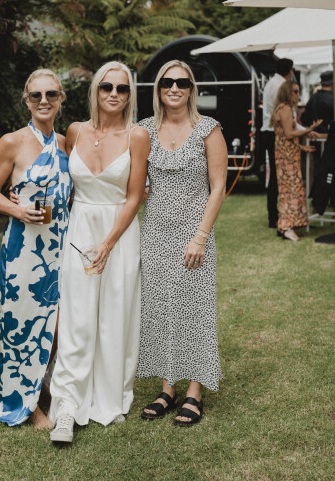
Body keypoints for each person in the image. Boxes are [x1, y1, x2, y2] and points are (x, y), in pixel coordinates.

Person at [49, 61, 150, 443]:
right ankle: (68, 405)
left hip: (118, 233)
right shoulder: (75, 131)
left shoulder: (137, 136)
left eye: (122, 89)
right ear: (95, 90)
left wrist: (107, 244)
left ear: (129, 95)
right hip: (80, 229)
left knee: (114, 316)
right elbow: (56, 179)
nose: (114, 94)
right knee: (76, 315)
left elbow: (135, 197)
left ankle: (109, 399)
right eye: (107, 86)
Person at [137, 59, 227, 427]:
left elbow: (218, 187)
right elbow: (132, 180)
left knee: (195, 309)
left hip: (194, 234)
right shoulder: (144, 129)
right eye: (167, 82)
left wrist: (200, 237)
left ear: (191, 89)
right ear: (158, 89)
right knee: (159, 309)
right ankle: (167, 388)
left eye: (182, 82)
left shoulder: (208, 129)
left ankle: (194, 391)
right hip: (154, 233)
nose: (174, 88)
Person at [0, 69, 72, 428]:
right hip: (24, 248)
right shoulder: (12, 142)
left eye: (51, 94)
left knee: (57, 324)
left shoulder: (65, 143)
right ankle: (27, 405)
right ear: (27, 101)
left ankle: (42, 385)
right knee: (21, 321)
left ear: (61, 99)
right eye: (36, 95)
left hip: (60, 245)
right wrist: (17, 209)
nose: (44, 101)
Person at [271, 80, 322, 241]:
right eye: (295, 91)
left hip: (287, 154)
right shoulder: (285, 108)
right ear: (287, 92)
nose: (297, 95)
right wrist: (309, 130)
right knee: (290, 191)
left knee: (289, 190)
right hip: (287, 158)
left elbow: (284, 137)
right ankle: (286, 227)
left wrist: (301, 147)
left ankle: (286, 225)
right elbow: (289, 134)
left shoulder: (282, 108)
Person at [260, 58, 294, 229]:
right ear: (290, 70)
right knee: (277, 175)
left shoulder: (270, 83)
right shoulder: (281, 86)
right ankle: (274, 216)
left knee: (275, 174)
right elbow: (282, 113)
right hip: (274, 132)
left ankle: (274, 215)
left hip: (268, 131)